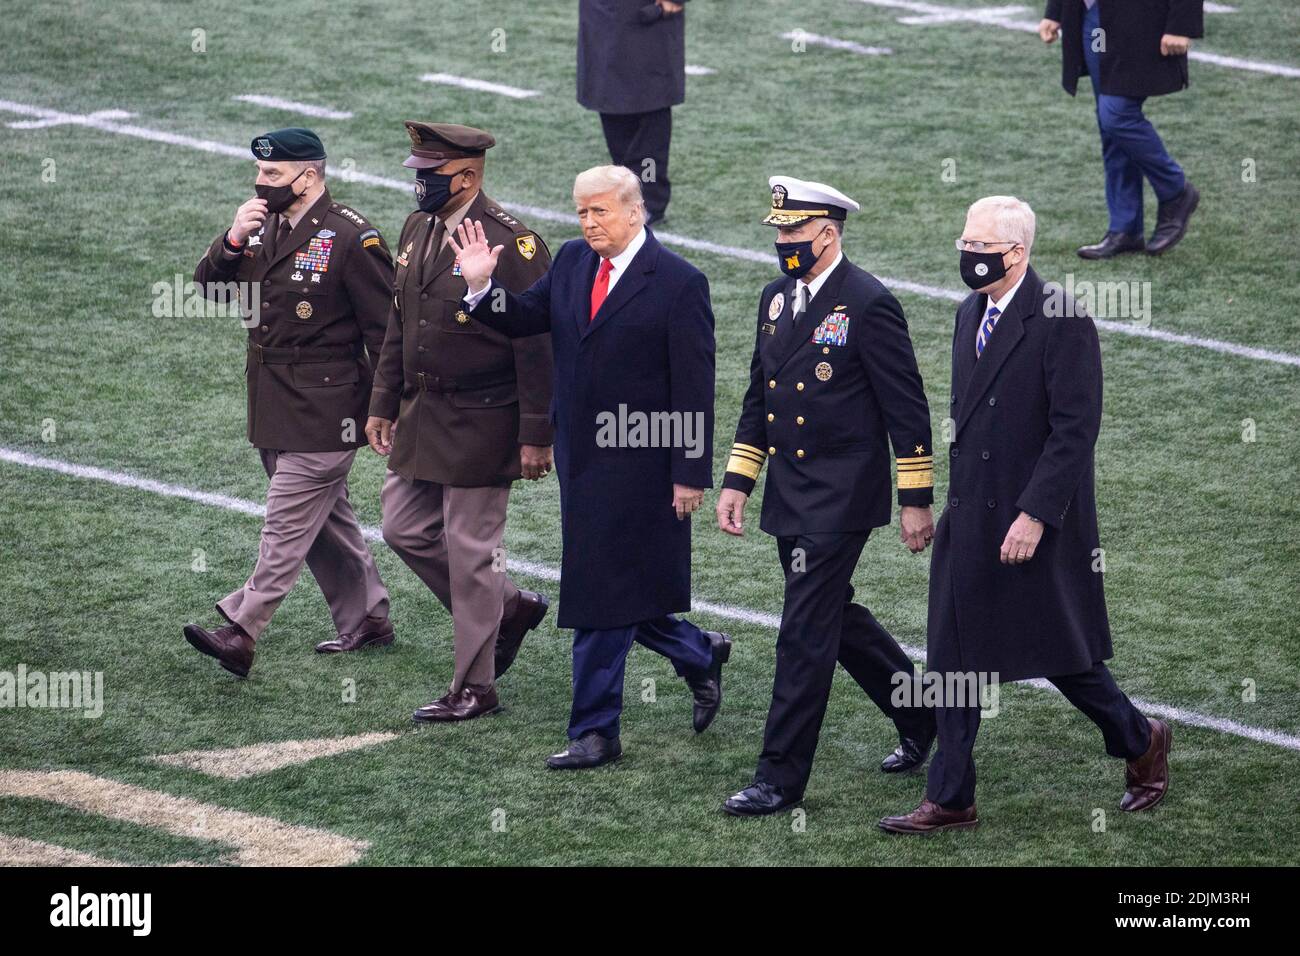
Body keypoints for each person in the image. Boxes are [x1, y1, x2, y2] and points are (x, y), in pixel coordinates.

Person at [879, 196, 1171, 834]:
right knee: (953, 662)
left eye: (980, 245)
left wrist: (1035, 514)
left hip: (1031, 520)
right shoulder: (968, 313)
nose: (967, 254)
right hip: (971, 518)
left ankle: (1140, 738)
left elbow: (1074, 430)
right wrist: (925, 503)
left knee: (1060, 655)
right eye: (964, 241)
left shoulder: (1061, 318)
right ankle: (951, 796)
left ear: (1017, 252)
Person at [450, 164, 730, 769]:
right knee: (620, 583)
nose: (589, 222)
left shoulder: (680, 283)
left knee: (596, 587)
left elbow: (694, 386)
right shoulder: (574, 260)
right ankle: (697, 650)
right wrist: (479, 289)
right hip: (582, 457)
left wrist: (689, 471)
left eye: (600, 211)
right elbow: (526, 317)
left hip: (646, 464)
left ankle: (596, 729)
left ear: (635, 211)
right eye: (582, 212)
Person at [716, 177, 937, 816]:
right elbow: (761, 396)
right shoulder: (776, 299)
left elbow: (907, 406)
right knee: (832, 615)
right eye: (779, 232)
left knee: (803, 629)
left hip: (842, 496)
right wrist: (738, 480)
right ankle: (924, 717)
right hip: (790, 491)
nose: (783, 242)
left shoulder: (868, 303)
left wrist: (915, 497)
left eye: (793, 232)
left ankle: (779, 778)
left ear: (827, 233)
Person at [183, 128, 392, 678]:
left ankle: (242, 629)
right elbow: (209, 288)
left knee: (284, 524)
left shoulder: (352, 237)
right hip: (272, 404)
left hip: (330, 411)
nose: (260, 181)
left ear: (310, 175)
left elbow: (385, 332)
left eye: (273, 174)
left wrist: (384, 407)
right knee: (327, 523)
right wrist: (230, 241)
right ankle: (368, 617)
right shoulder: (262, 226)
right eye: (259, 172)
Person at [364, 122, 555, 722]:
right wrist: (381, 402)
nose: (419, 183)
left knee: (471, 555)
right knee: (402, 527)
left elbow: (537, 344)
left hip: (483, 418)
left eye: (430, 175)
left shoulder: (512, 245)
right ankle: (509, 607)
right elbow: (401, 322)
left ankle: (476, 685)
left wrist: (535, 433)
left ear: (467, 177)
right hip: (423, 413)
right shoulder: (419, 228)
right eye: (418, 172)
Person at [1040, 0, 1203, 258]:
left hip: (1141, 18)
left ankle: (1175, 190)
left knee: (1117, 114)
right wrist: (1056, 9)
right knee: (1109, 125)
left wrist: (1182, 24)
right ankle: (1125, 228)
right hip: (1091, 15)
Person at [577, 0, 689, 224]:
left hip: (644, 14)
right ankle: (629, 193)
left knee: (648, 104)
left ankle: (647, 200)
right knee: (610, 96)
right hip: (604, 14)